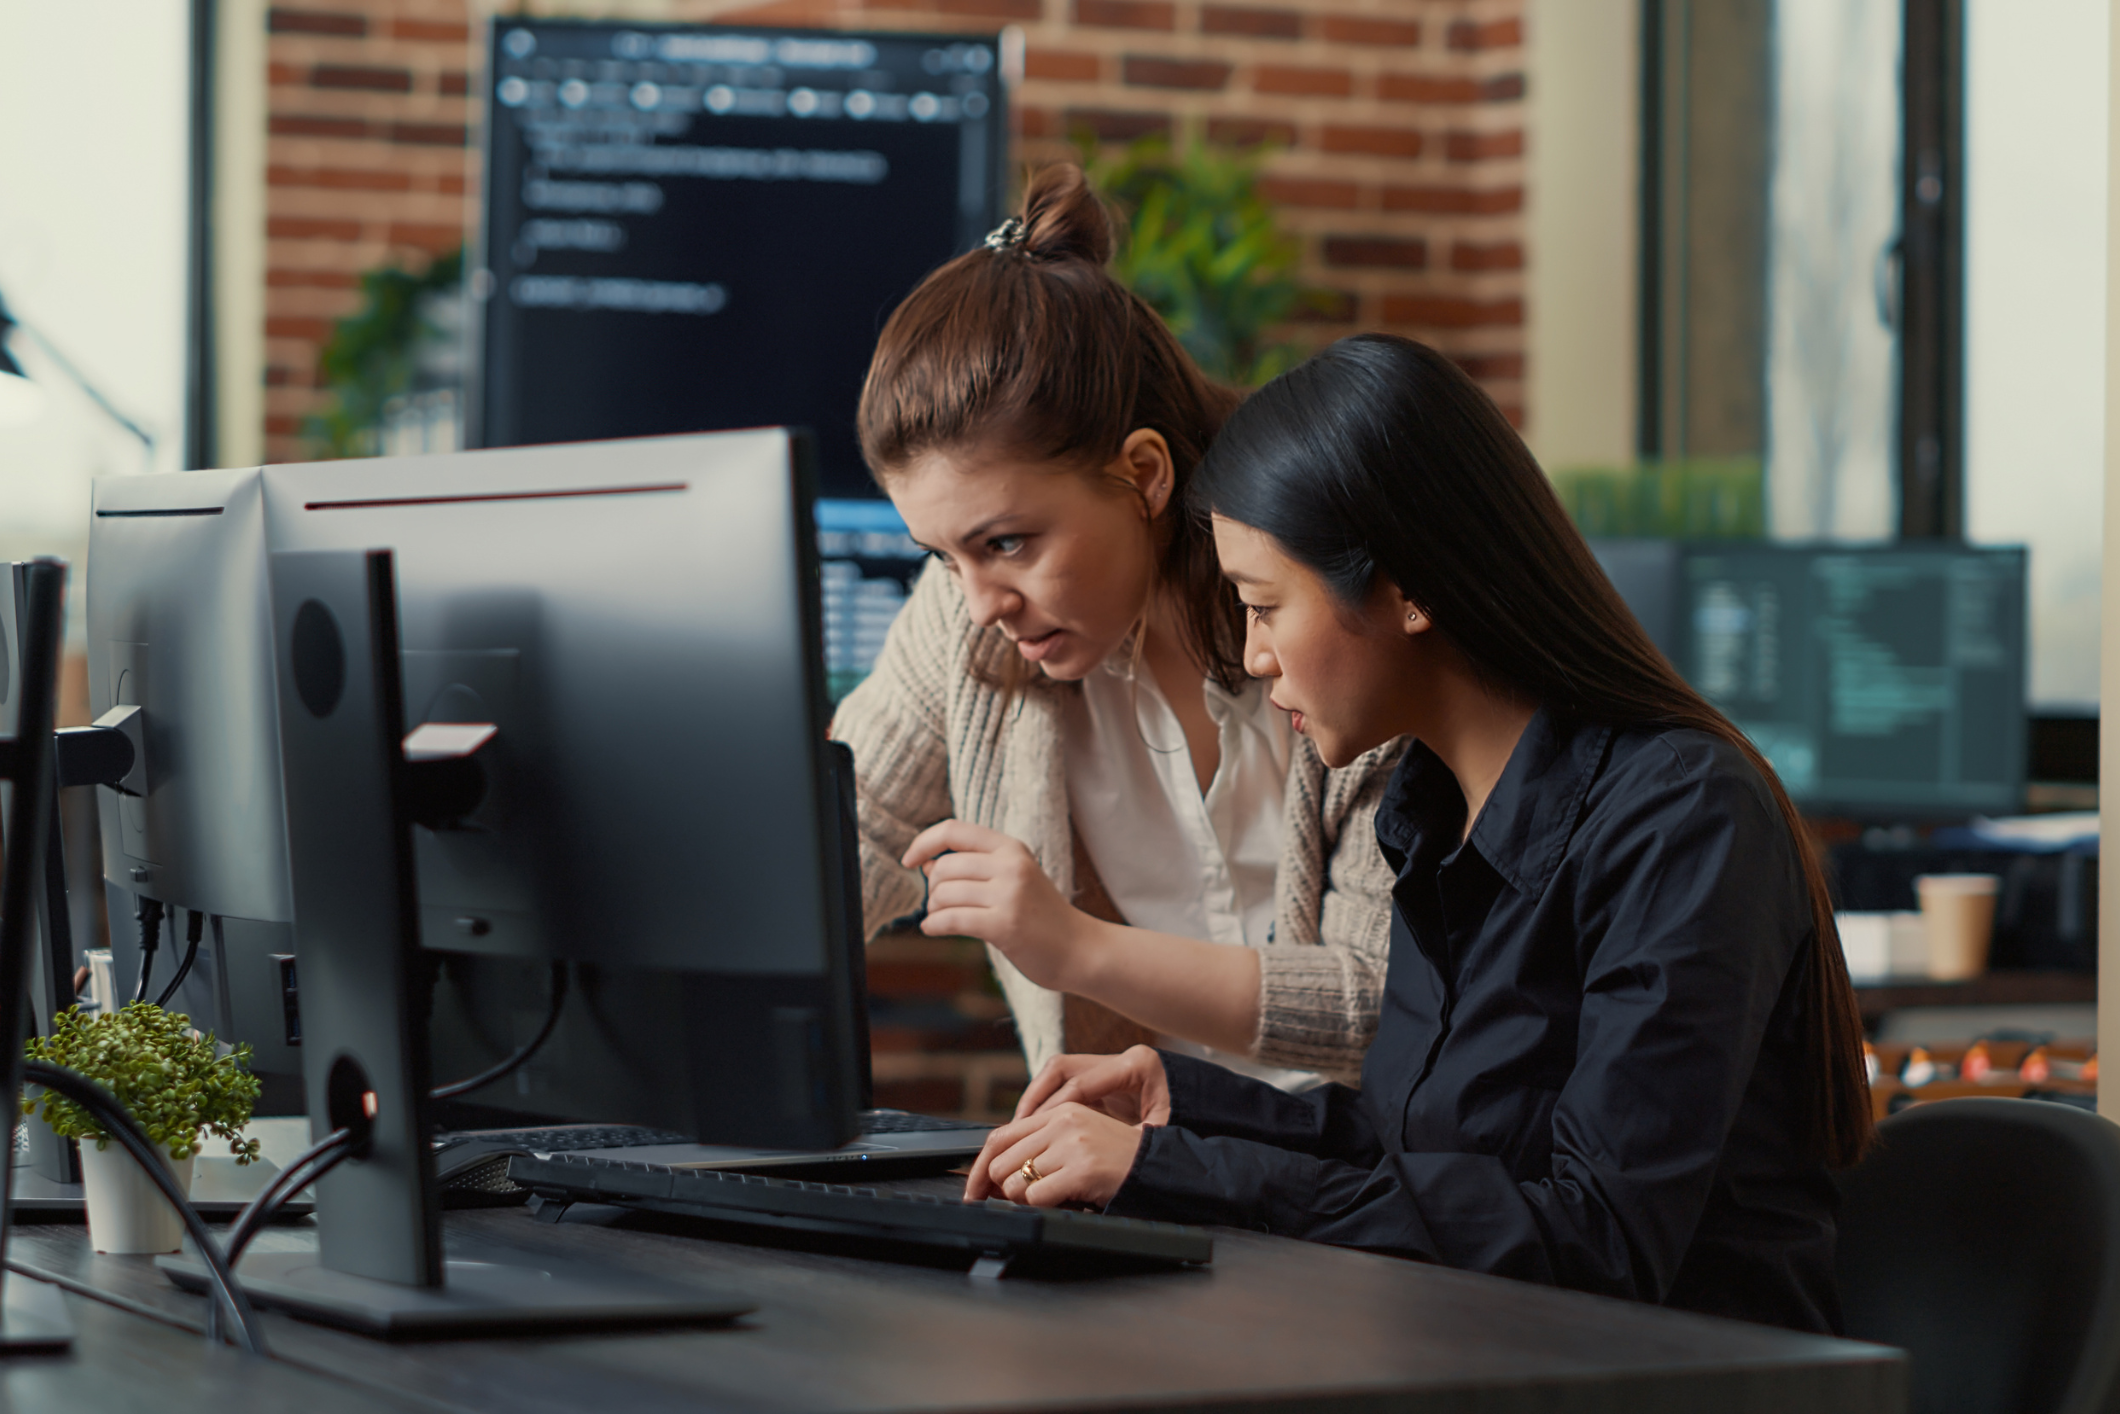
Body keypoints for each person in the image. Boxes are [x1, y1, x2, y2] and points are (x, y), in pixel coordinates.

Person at [962, 333, 1875, 1335]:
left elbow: (1595, 1241)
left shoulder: (1682, 817)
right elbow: (1420, 1146)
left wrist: (1170, 1173)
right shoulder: (1431, 809)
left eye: (1263, 605)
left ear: (1407, 588)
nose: (1254, 655)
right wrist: (1186, 1104)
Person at [832, 164, 1405, 1089]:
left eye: (1008, 542)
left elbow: (1381, 1001)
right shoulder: (967, 621)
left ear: (1143, 474)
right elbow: (846, 838)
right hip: (1143, 1182)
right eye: (943, 556)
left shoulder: (1336, 610)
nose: (980, 601)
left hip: (1366, 1195)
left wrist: (1074, 947)